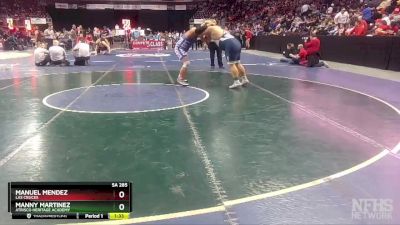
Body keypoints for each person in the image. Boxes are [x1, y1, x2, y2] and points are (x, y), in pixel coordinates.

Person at [202, 23, 249, 89]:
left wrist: (204, 39)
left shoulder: (211, 32)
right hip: (236, 42)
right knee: (238, 63)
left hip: (229, 44)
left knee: (232, 64)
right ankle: (244, 79)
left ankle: (236, 81)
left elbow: (206, 39)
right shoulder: (221, 29)